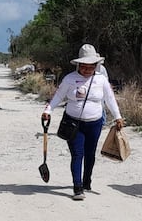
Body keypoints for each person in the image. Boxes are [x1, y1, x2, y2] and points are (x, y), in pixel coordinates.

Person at [41, 44, 124, 200]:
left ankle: (87, 181)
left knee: (90, 154)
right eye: (84, 67)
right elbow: (58, 97)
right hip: (74, 124)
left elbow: (110, 99)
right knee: (77, 154)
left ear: (96, 66)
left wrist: (117, 116)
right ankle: (77, 187)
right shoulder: (69, 79)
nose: (87, 70)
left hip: (95, 123)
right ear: (78, 65)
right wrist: (48, 111)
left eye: (91, 67)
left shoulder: (101, 80)